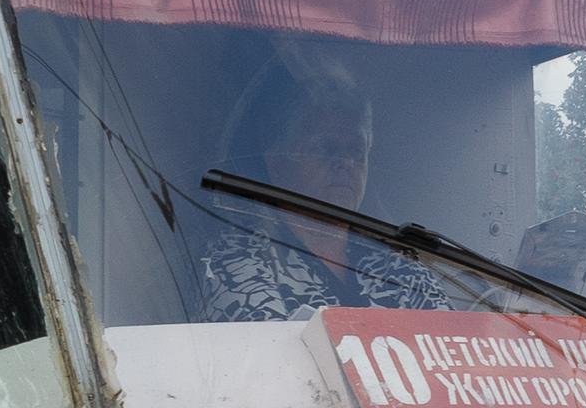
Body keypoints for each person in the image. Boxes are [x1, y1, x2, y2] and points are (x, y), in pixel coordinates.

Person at [189, 42, 459, 321]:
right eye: (326, 149)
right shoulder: (238, 256)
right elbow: (260, 344)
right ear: (276, 161)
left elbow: (450, 341)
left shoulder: (397, 265)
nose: (346, 163)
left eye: (356, 151)